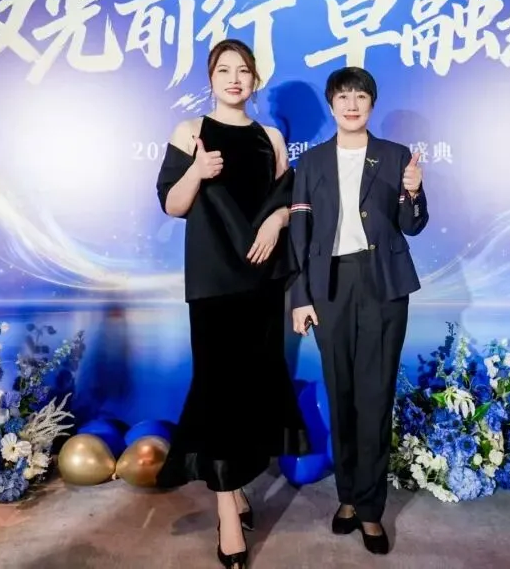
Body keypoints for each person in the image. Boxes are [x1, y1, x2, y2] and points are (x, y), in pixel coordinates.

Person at [155, 38, 309, 569]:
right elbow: (173, 205)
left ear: (255, 79)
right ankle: (226, 513)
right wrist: (197, 171)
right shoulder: (190, 131)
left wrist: (277, 219)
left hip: (262, 281)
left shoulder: (271, 137)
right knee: (218, 390)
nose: (234, 78)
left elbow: (290, 201)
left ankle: (236, 488)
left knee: (251, 390)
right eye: (224, 70)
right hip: (213, 281)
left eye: (243, 70)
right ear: (211, 78)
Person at [289, 66, 428, 555]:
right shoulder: (311, 163)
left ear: (372, 103)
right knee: (341, 392)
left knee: (375, 396)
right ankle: (347, 496)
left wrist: (413, 191)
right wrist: (300, 296)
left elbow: (413, 225)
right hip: (329, 286)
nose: (352, 104)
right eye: (343, 97)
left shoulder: (396, 156)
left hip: (383, 285)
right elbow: (299, 235)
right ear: (332, 105)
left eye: (360, 96)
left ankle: (370, 509)